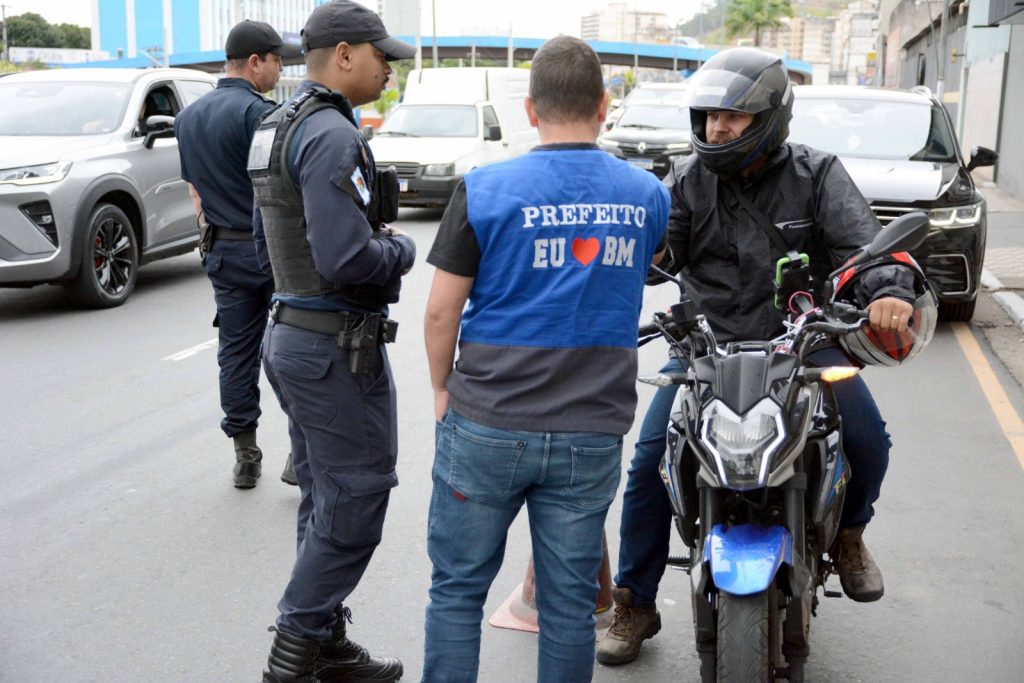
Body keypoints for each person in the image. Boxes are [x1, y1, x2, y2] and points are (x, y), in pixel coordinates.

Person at [596, 47, 924, 667]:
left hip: (803, 342)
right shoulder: (687, 179)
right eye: (710, 116)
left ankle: (849, 534)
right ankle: (636, 601)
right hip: (706, 347)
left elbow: (865, 246)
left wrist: (889, 294)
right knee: (650, 464)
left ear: (770, 117)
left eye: (733, 117)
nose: (718, 128)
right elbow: (660, 253)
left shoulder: (816, 174)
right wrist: (634, 251)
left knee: (867, 438)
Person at [421, 35, 670, 683]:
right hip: (590, 429)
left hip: (487, 419)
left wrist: (442, 390)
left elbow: (442, 311)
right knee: (567, 607)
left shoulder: (483, 188)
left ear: (530, 110)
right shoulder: (646, 195)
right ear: (604, 106)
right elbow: (644, 266)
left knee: (457, 590)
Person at [248, 2, 416, 682]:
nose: (389, 70)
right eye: (382, 57)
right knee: (357, 499)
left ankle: (323, 645)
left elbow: (267, 242)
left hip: (295, 332)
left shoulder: (279, 123)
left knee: (325, 497)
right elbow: (348, 257)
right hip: (334, 346)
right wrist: (399, 250)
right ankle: (294, 653)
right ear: (344, 55)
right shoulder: (331, 133)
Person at [175, 20, 301, 489]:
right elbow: (281, 189)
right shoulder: (261, 114)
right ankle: (301, 452)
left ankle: (245, 455)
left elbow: (195, 191)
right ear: (254, 62)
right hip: (271, 250)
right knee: (294, 348)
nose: (281, 68)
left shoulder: (188, 117)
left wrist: (211, 234)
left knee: (236, 352)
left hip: (222, 251)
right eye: (277, 60)